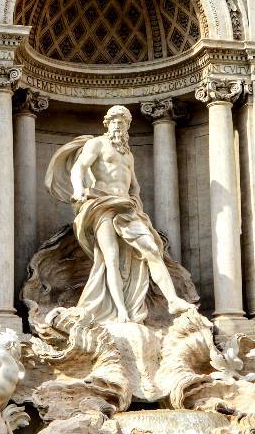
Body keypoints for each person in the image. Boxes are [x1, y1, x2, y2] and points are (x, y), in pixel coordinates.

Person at [45, 104, 196, 323]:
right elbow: (80, 167)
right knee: (111, 259)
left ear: (127, 126)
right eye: (115, 121)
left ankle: (172, 300)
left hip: (127, 208)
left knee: (152, 250)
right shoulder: (97, 144)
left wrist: (137, 205)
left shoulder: (128, 155)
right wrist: (78, 190)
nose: (119, 125)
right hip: (102, 204)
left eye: (123, 122)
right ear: (107, 124)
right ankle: (120, 312)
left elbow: (133, 185)